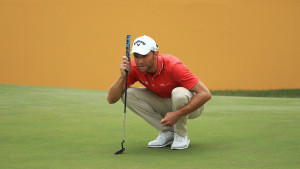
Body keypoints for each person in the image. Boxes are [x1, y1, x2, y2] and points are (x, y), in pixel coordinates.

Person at [107, 35, 212, 150]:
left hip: (191, 106)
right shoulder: (133, 67)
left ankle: (180, 134)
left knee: (179, 93)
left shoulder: (174, 66)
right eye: (136, 56)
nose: (140, 61)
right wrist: (122, 77)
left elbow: (205, 94)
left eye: (144, 56)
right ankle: (168, 132)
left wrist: (177, 114)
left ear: (156, 54)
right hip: (165, 104)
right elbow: (111, 99)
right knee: (129, 94)